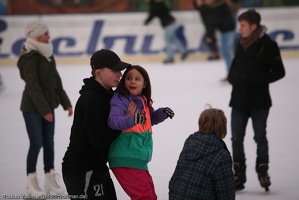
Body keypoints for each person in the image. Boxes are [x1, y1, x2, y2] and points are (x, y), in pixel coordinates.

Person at [228, 9, 286, 191]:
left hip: (259, 101)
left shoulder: (268, 45)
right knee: (236, 138)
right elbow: (235, 65)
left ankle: (262, 170)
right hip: (238, 100)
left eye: (243, 25)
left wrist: (259, 79)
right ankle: (238, 173)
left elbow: (279, 71)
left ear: (254, 27)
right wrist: (232, 78)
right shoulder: (241, 43)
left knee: (260, 137)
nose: (240, 29)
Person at [62, 49, 131, 199]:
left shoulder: (108, 95)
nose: (120, 74)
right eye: (115, 70)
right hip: (82, 169)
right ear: (98, 73)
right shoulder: (91, 99)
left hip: (97, 167)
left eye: (120, 70)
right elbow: (99, 141)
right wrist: (125, 123)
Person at [17, 21, 73, 196]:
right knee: (37, 143)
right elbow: (33, 86)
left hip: (48, 106)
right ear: (36, 36)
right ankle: (31, 182)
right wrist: (45, 111)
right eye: (45, 34)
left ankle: (49, 178)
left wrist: (66, 103)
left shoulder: (47, 53)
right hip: (32, 107)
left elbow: (56, 80)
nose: (49, 37)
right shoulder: (29, 56)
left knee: (49, 143)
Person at [107, 65, 175, 200]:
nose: (132, 81)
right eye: (129, 78)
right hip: (125, 156)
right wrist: (131, 119)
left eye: (137, 79)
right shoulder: (120, 99)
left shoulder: (143, 101)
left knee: (150, 195)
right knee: (145, 197)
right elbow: (113, 121)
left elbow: (150, 120)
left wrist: (162, 113)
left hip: (138, 157)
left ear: (144, 84)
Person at [169, 106, 235, 200]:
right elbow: (227, 194)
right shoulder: (221, 156)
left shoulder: (189, 144)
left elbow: (175, 181)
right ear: (222, 127)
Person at [194, 0, 236, 81]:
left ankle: (232, 74)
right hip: (226, 30)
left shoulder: (218, 7)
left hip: (228, 30)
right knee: (228, 52)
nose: (206, 2)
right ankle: (233, 73)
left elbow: (213, 22)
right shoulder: (216, 6)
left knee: (226, 52)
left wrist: (210, 35)